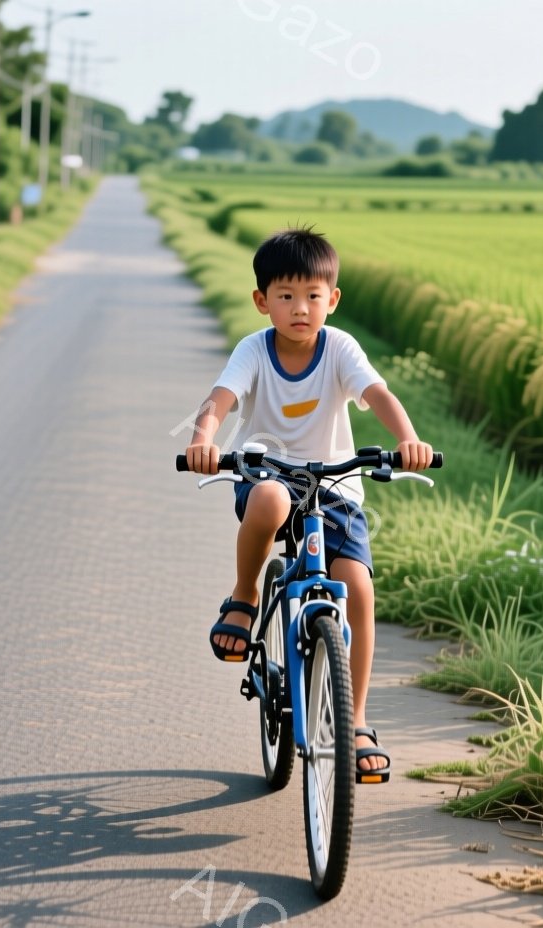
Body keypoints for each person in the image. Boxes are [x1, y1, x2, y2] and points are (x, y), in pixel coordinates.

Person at [182, 226, 434, 783]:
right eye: (286, 296)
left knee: (358, 587)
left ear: (332, 300)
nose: (301, 309)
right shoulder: (253, 349)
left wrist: (408, 438)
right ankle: (246, 596)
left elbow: (377, 395)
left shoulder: (340, 348)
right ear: (262, 301)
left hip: (336, 486)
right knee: (269, 500)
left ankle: (357, 720)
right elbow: (220, 399)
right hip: (267, 473)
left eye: (313, 297)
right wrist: (204, 439)